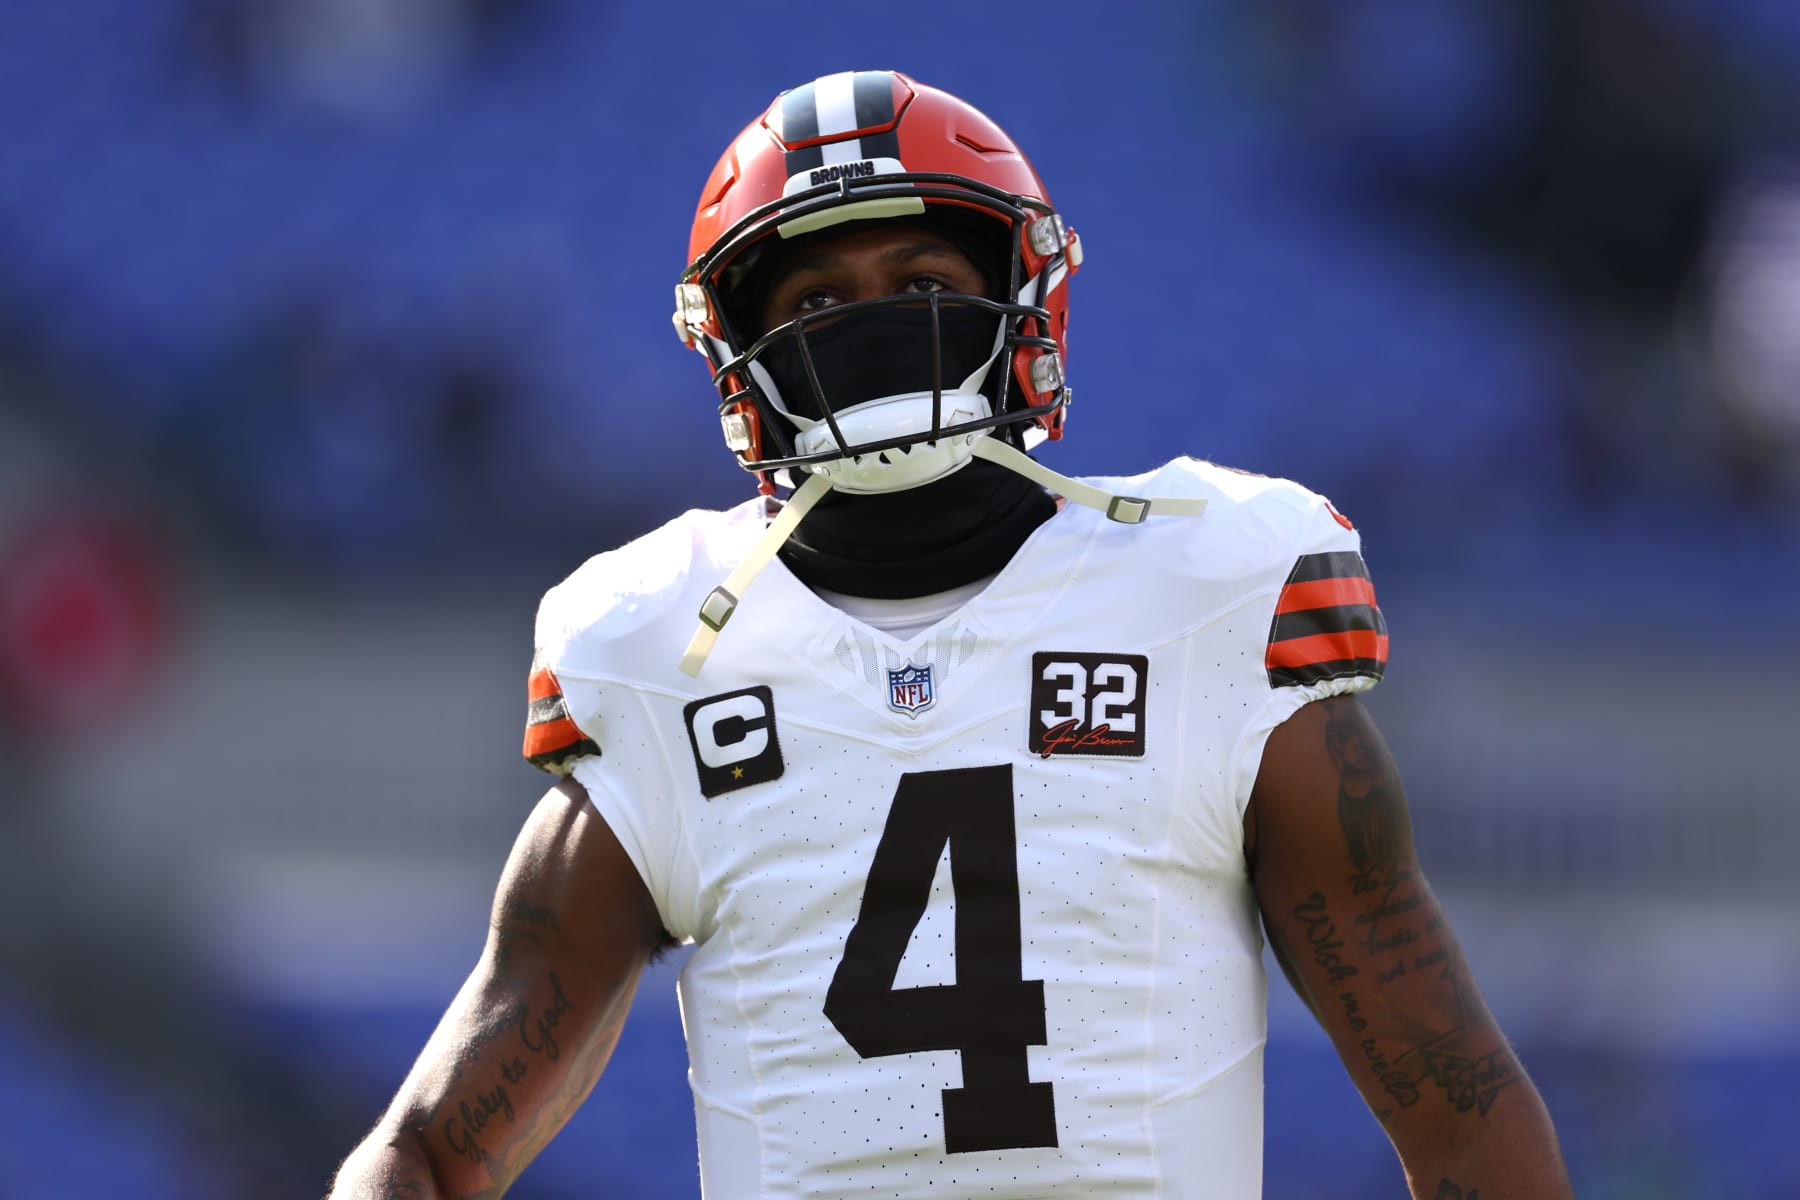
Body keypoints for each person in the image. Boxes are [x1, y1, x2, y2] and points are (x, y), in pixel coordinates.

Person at [329, 70, 1573, 1199]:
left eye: (923, 285)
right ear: (743, 354)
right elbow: (430, 1150)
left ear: (1021, 297)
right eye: (816, 299)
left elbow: (1459, 1106)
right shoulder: (666, 655)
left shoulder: (1206, 591)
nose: (873, 328)